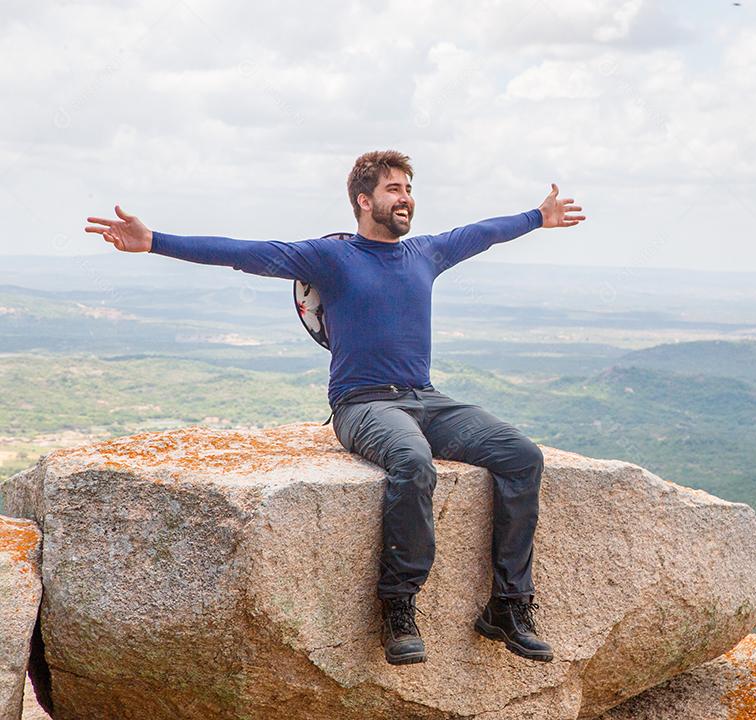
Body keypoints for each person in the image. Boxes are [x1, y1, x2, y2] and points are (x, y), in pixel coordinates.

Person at [84, 150, 586, 666]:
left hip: (426, 397)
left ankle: (508, 603)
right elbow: (244, 252)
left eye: (409, 189)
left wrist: (537, 217)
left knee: (522, 455)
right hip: (362, 404)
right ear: (364, 201)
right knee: (412, 462)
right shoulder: (332, 258)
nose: (406, 199)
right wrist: (153, 242)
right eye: (394, 189)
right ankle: (398, 603)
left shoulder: (425, 253)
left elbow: (483, 232)